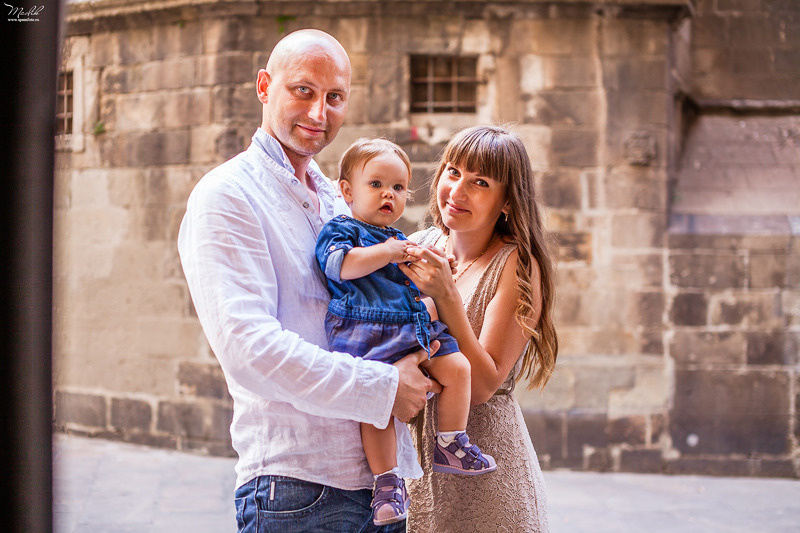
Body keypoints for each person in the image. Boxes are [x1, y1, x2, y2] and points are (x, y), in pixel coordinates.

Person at [177, 29, 440, 533]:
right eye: (303, 90)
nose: (319, 113)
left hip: (383, 488)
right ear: (264, 86)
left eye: (334, 97)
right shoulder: (227, 195)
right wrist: (384, 387)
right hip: (297, 490)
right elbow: (248, 347)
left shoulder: (342, 199)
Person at [315, 138, 497, 526]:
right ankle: (386, 481)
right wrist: (394, 253)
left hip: (412, 328)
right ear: (346, 191)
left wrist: (432, 267)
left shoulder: (398, 240)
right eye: (376, 184)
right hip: (368, 332)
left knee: (459, 369)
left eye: (398, 188)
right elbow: (339, 266)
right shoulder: (343, 229)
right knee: (379, 409)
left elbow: (411, 285)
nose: (388, 195)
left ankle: (450, 442)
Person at [401, 125, 559, 532]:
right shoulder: (419, 243)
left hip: (486, 474)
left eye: (480, 182)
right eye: (453, 172)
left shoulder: (518, 265)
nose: (457, 190)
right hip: (413, 465)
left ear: (506, 202)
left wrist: (447, 297)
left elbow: (486, 383)